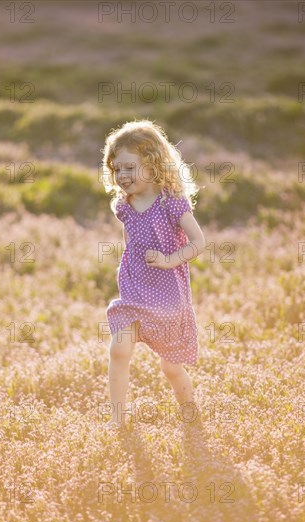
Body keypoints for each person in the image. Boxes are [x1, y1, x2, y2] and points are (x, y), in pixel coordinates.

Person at [101, 120, 206, 429]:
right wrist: (129, 267)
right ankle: (118, 419)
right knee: (119, 349)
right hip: (135, 291)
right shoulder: (126, 205)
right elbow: (130, 241)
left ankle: (190, 410)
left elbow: (199, 242)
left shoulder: (171, 203)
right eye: (117, 169)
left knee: (171, 369)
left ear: (153, 163)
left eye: (129, 168)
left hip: (169, 297)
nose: (122, 176)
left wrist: (169, 259)